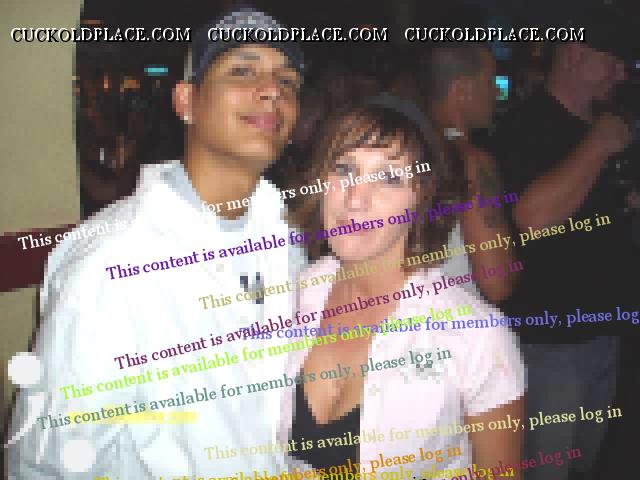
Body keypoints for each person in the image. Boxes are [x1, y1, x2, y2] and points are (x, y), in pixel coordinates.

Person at [6, 8, 305, 477]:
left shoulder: (286, 245)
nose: (273, 91)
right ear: (186, 102)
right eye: (242, 71)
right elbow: (50, 463)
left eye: (287, 81)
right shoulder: (112, 262)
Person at [276, 97, 525, 477]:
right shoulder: (288, 299)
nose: (355, 199)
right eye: (344, 168)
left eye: (389, 177)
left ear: (422, 198)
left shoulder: (476, 337)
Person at [490, 6, 637, 480]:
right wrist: (599, 145)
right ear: (574, 56)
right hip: (550, 342)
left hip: (604, 334)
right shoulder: (523, 127)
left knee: (581, 467)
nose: (621, 73)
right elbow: (532, 219)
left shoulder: (603, 126)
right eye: (612, 61)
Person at [423, 45, 519, 303]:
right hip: (457, 319)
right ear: (462, 91)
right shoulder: (471, 161)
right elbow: (497, 281)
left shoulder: (407, 151)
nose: (496, 92)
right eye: (490, 82)